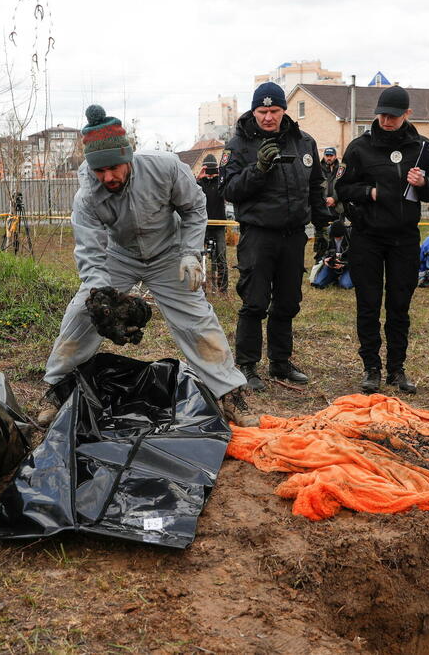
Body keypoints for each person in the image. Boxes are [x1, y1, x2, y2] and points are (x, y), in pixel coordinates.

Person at [37, 105, 258, 428]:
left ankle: (230, 392)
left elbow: (195, 208)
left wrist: (189, 252)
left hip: (168, 253)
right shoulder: (88, 194)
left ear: (129, 156)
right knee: (82, 312)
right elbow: (90, 249)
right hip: (119, 256)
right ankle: (56, 387)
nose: (108, 177)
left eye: (114, 168)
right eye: (100, 171)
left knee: (197, 318)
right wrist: (101, 295)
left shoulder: (164, 168)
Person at [221, 81, 330, 391]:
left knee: (287, 301)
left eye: (274, 111)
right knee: (254, 301)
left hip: (294, 235)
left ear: (284, 110)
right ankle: (247, 364)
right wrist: (259, 168)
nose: (268, 117)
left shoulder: (303, 142)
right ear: (253, 111)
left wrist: (322, 225)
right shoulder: (238, 145)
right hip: (258, 234)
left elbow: (315, 187)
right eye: (262, 111)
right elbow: (229, 190)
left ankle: (281, 362)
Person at [336, 85, 429, 395]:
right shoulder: (359, 148)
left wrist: (423, 183)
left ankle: (397, 368)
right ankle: (371, 367)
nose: (386, 120)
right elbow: (341, 188)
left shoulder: (423, 148)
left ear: (407, 115)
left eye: (393, 116)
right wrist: (367, 192)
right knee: (368, 305)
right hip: (368, 237)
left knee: (399, 305)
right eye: (382, 115)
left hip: (404, 239)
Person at [197, 154, 228, 293]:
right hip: (203, 226)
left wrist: (221, 174)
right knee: (199, 257)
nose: (210, 172)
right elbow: (189, 193)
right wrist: (198, 177)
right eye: (207, 169)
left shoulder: (221, 183)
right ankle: (200, 287)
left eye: (212, 169)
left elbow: (229, 192)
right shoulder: (199, 184)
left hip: (219, 225)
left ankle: (223, 289)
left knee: (221, 257)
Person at [312, 219, 353, 290]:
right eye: (335, 237)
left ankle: (345, 277)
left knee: (345, 285)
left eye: (340, 237)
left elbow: (357, 256)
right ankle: (334, 277)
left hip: (349, 266)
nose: (337, 239)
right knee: (318, 284)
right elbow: (322, 252)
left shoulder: (351, 235)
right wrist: (325, 259)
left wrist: (344, 263)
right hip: (331, 266)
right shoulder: (327, 235)